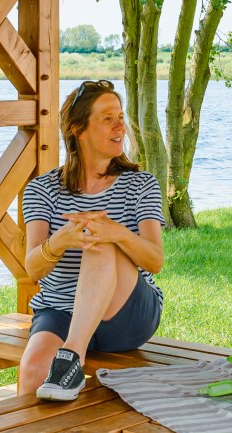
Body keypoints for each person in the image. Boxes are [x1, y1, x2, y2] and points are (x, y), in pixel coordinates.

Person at [18, 80, 166, 401]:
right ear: (78, 131)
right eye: (107, 118)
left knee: (101, 242)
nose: (120, 126)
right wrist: (59, 242)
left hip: (125, 313)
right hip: (61, 308)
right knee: (32, 372)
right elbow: (33, 270)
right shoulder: (42, 190)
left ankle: (71, 356)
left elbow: (154, 261)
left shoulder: (141, 185)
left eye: (121, 117)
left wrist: (116, 233)